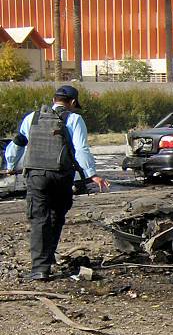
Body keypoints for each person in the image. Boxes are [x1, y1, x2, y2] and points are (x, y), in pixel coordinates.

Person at [4, 85, 110, 281]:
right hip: (61, 176)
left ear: (54, 100)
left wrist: (10, 164)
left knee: (39, 219)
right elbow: (81, 149)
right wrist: (91, 174)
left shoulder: (32, 117)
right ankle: (49, 256)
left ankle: (40, 268)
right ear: (71, 103)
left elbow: (17, 143)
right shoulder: (74, 119)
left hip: (36, 176)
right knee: (56, 216)